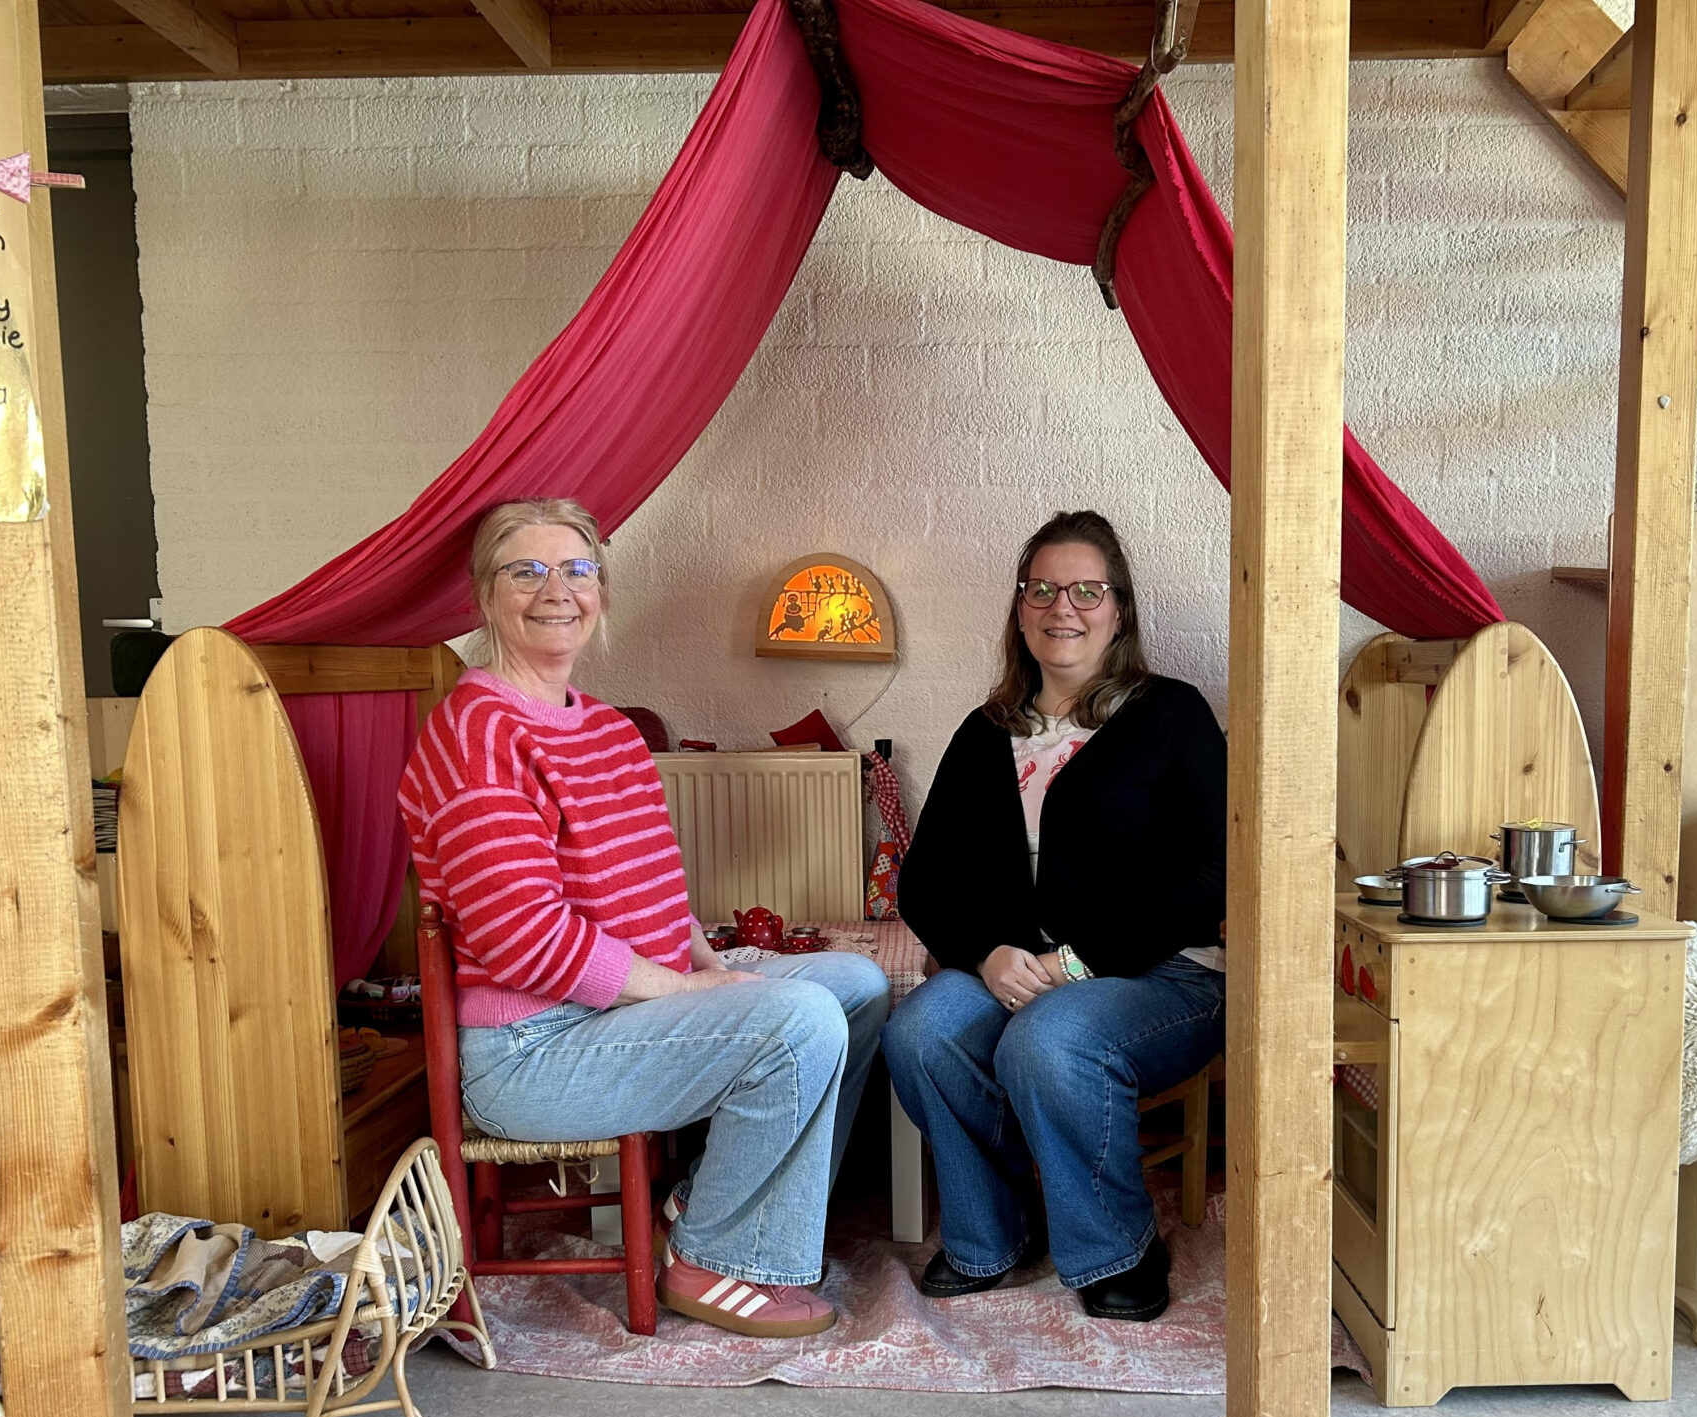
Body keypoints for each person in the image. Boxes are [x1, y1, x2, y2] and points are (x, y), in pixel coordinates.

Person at [399, 498, 889, 1338]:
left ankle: (700, 1207)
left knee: (857, 983)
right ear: (485, 597)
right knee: (797, 1020)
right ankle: (717, 1259)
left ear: (602, 591)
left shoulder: (605, 730)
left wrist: (713, 968)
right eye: (527, 570)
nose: (557, 590)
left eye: (577, 569)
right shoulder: (478, 734)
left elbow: (659, 892)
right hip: (534, 1049)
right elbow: (525, 939)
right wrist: (688, 992)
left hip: (614, 1011)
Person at [884, 511, 1226, 1322]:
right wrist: (985, 953)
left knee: (1051, 1036)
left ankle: (1117, 1246)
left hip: (1164, 971)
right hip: (1020, 966)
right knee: (920, 1032)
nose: (1061, 607)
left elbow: (1216, 872)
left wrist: (1081, 963)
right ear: (1020, 606)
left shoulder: (1172, 716)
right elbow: (924, 882)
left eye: (1085, 590)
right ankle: (990, 1235)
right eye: (1042, 588)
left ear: (1119, 610)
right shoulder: (985, 733)